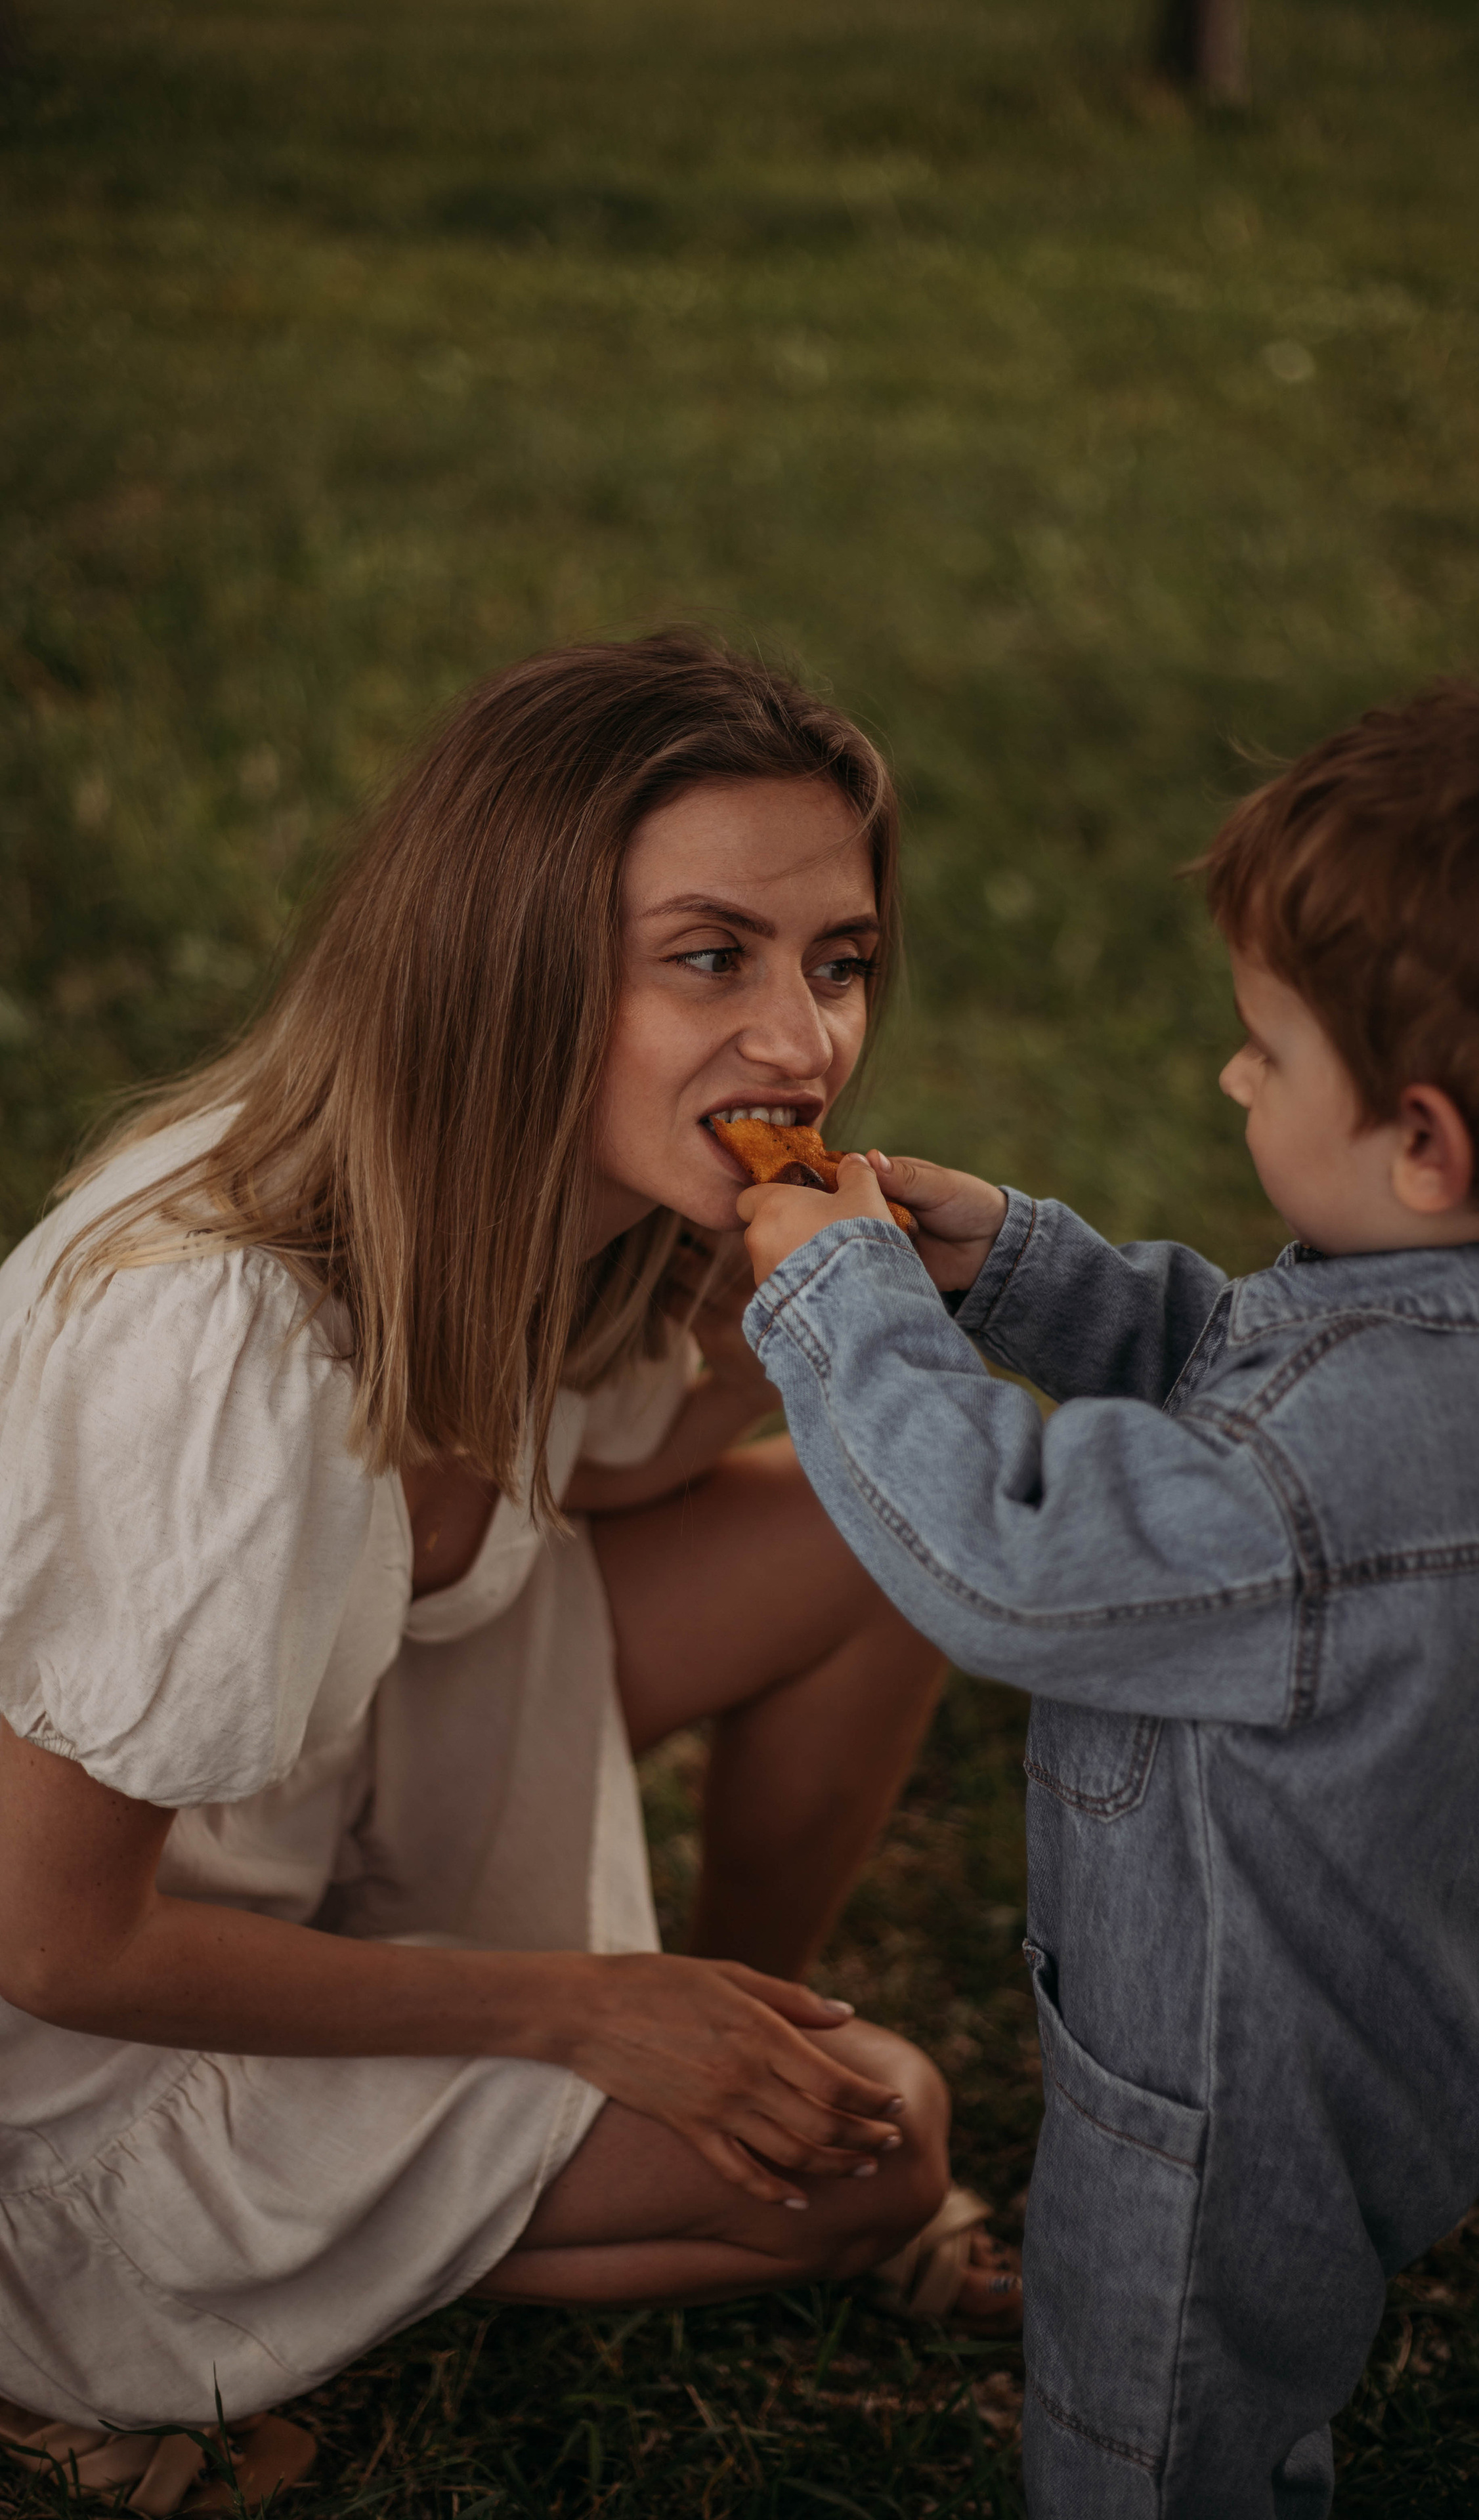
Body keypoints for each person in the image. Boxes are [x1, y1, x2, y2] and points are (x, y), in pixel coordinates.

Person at [0, 635, 1021, 2499]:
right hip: (76, 2040)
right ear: (506, 951)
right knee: (884, 2142)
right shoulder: (221, 1334)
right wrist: (565, 2008)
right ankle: (59, 2340)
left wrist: (766, 1309)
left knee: (881, 1506)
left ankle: (732, 2021)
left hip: (326, 1808)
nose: (804, 1040)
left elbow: (605, 1481)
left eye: (839, 961)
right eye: (711, 956)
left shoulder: (566, 1195)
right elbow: (56, 1941)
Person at [731, 675, 1479, 2518]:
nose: (1233, 1076)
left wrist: (834, 1299)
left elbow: (1012, 1551)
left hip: (1230, 2081)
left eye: (1265, 1047)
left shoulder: (1320, 1472)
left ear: (1425, 1142)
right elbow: (1232, 1382)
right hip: (1403, 2014)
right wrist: (1012, 1267)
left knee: (1150, 2449)